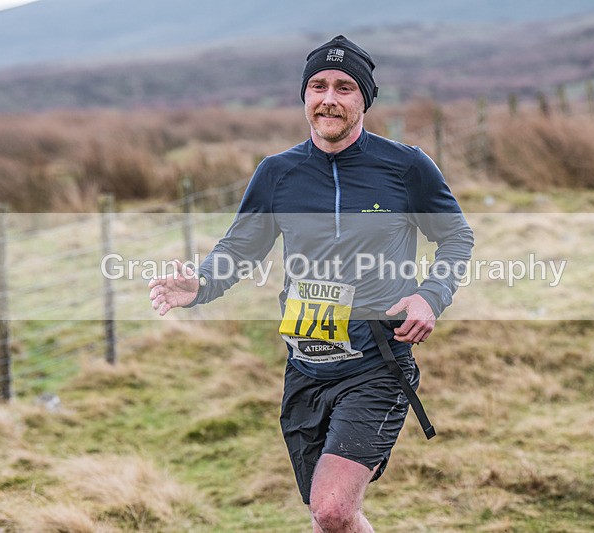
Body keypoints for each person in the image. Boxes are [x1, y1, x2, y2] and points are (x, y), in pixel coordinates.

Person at [149, 35, 474, 532]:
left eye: (345, 88)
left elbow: (456, 239)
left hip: (376, 365)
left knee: (333, 508)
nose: (329, 98)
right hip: (306, 366)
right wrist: (202, 284)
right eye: (318, 85)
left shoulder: (405, 167)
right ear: (304, 96)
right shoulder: (278, 173)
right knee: (329, 520)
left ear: (364, 99)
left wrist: (430, 296)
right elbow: (240, 249)